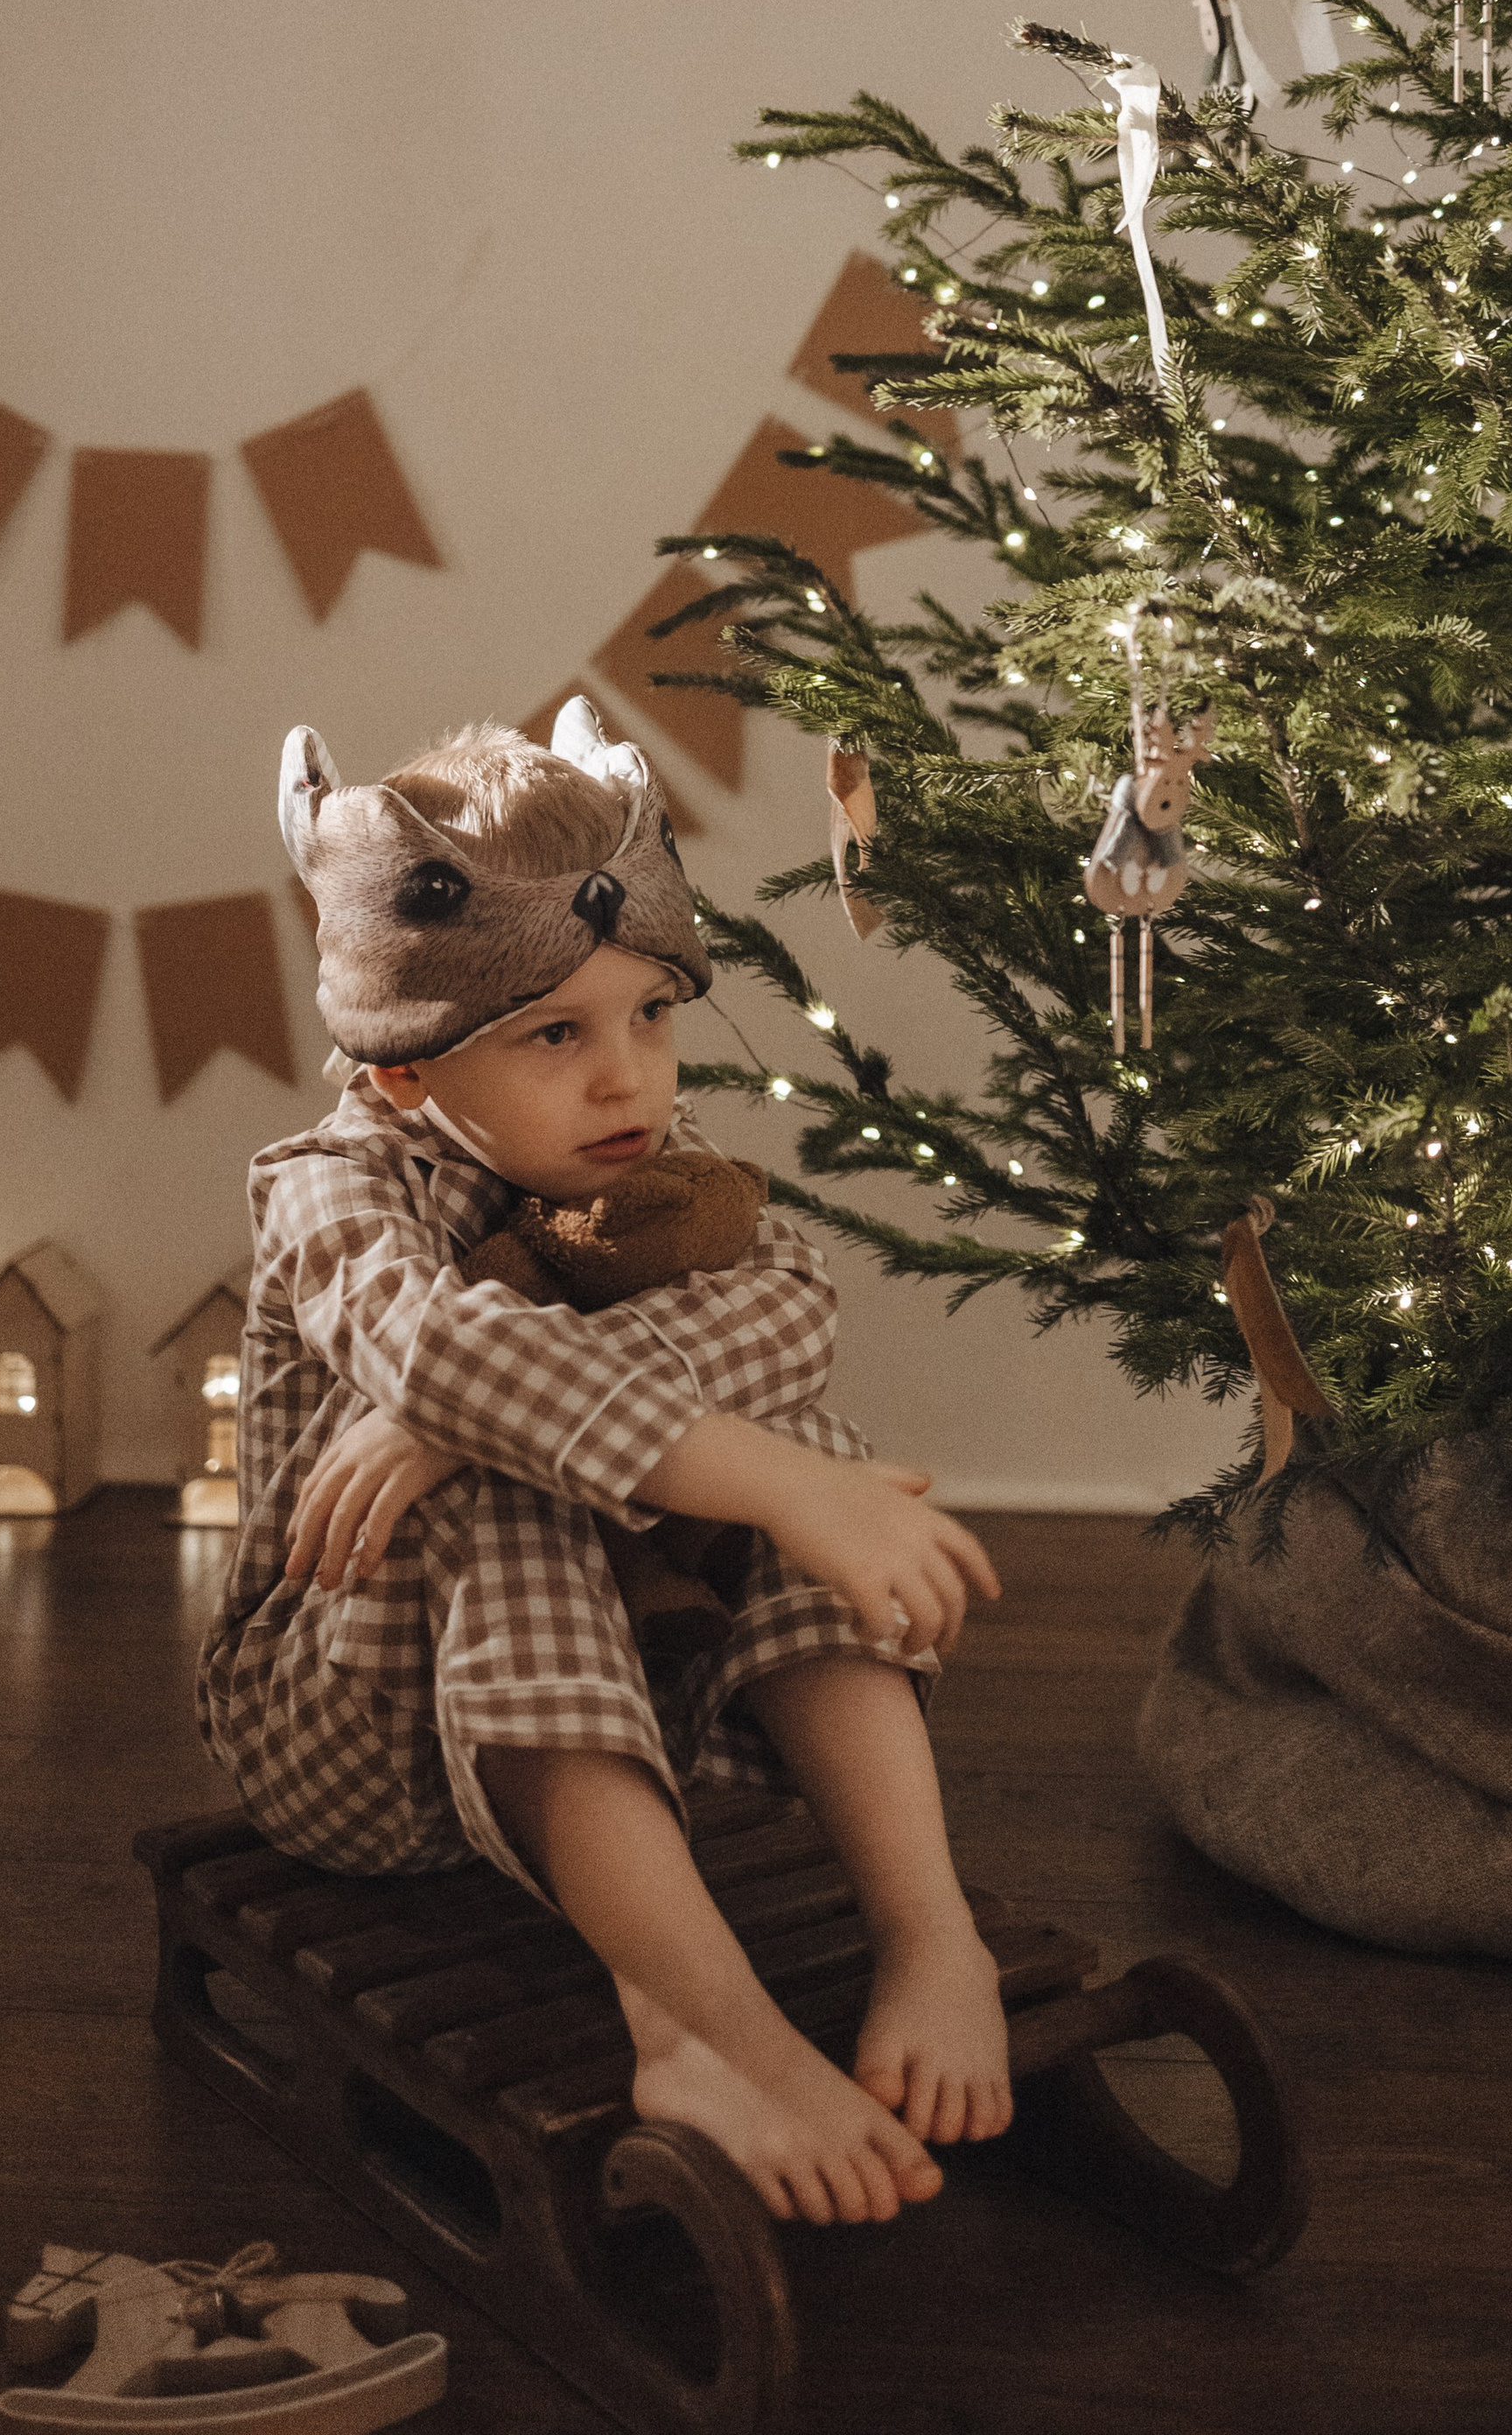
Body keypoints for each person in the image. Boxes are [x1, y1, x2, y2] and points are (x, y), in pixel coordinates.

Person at [198, 697, 1012, 2226]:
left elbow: (788, 1307)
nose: (628, 1078)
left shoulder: (650, 1160)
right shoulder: (328, 1188)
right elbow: (426, 1341)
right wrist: (468, 1415)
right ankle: (699, 2028)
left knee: (798, 1440)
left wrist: (766, 1471)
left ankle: (928, 1928)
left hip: (640, 1704)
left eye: (652, 1013)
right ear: (405, 1073)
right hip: (349, 1732)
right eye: (555, 1036)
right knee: (526, 1495)